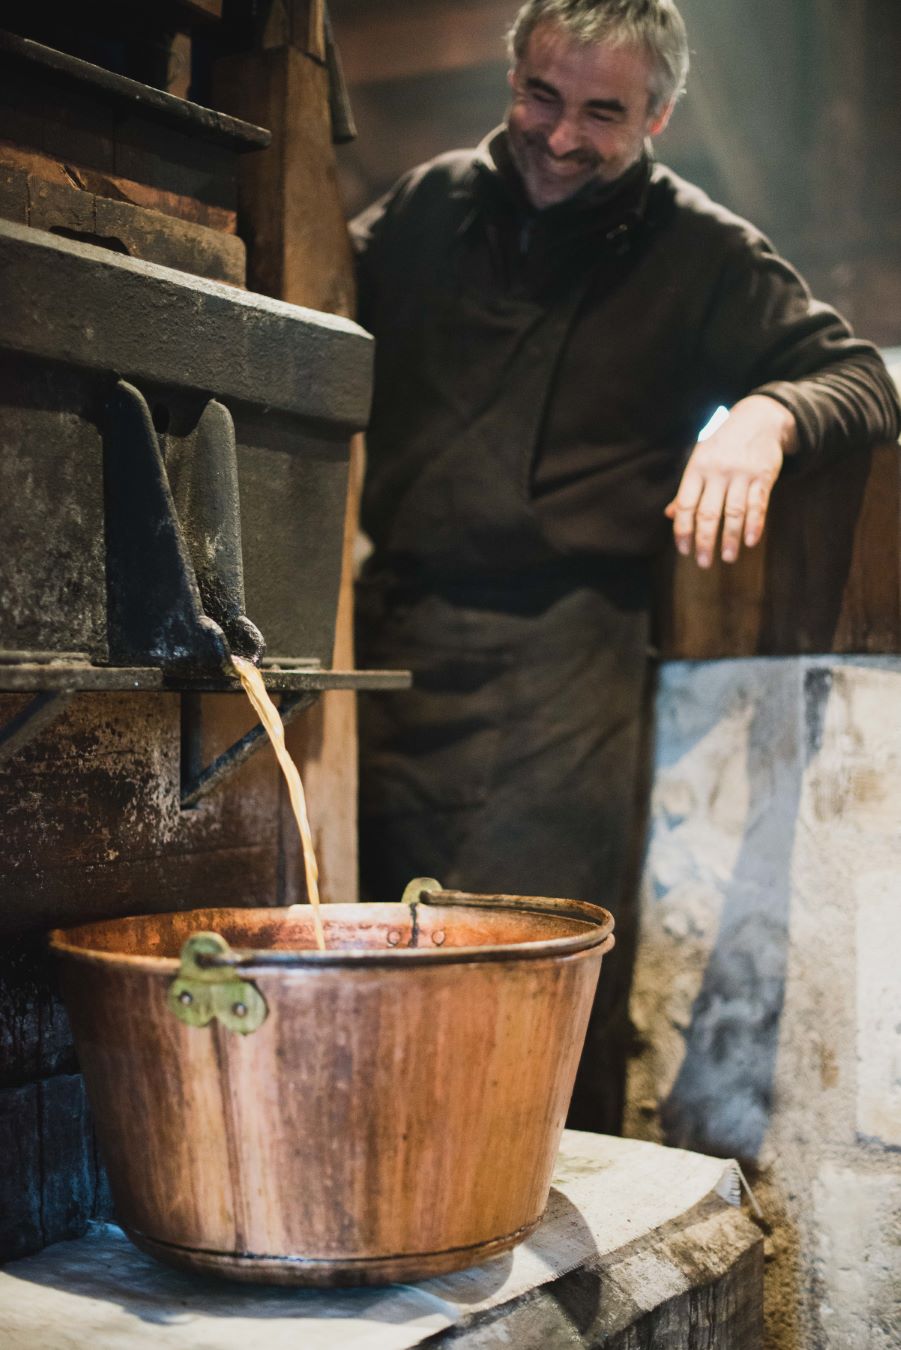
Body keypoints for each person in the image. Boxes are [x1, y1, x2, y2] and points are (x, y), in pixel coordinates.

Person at [350, 0, 901, 1133]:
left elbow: (859, 377)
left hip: (566, 657)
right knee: (380, 960)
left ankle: (544, 1216)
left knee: (533, 978)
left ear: (656, 114)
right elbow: (307, 313)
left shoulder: (699, 248)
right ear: (512, 75)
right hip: (393, 637)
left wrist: (765, 412)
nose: (558, 135)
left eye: (601, 112)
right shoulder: (425, 205)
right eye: (540, 96)